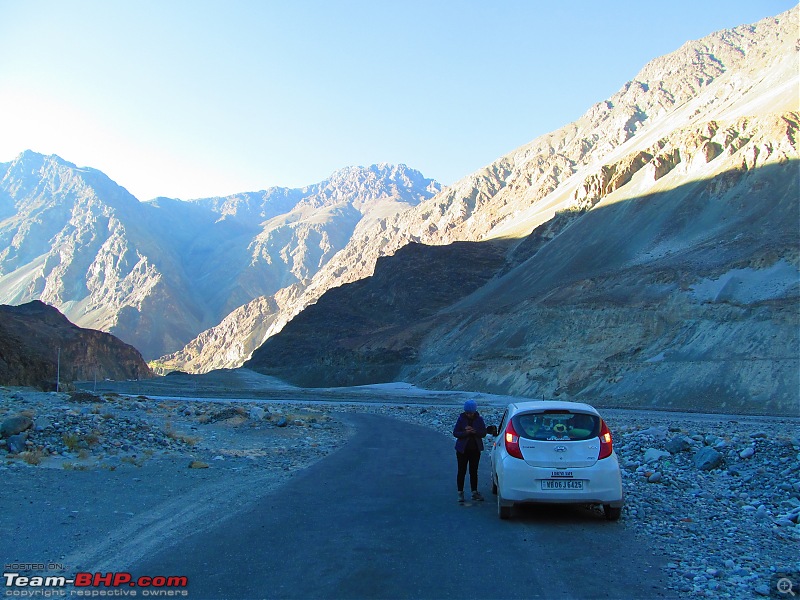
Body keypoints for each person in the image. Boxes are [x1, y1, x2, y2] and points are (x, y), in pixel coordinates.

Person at [453, 399, 487, 504]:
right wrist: (466, 433)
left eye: (470, 413)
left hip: (475, 450)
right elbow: (455, 433)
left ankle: (474, 492)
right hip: (462, 450)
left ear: (474, 411)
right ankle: (460, 493)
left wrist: (475, 432)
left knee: (473, 471)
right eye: (467, 413)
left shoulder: (479, 420)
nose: (469, 415)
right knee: (461, 471)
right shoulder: (461, 419)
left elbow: (483, 433)